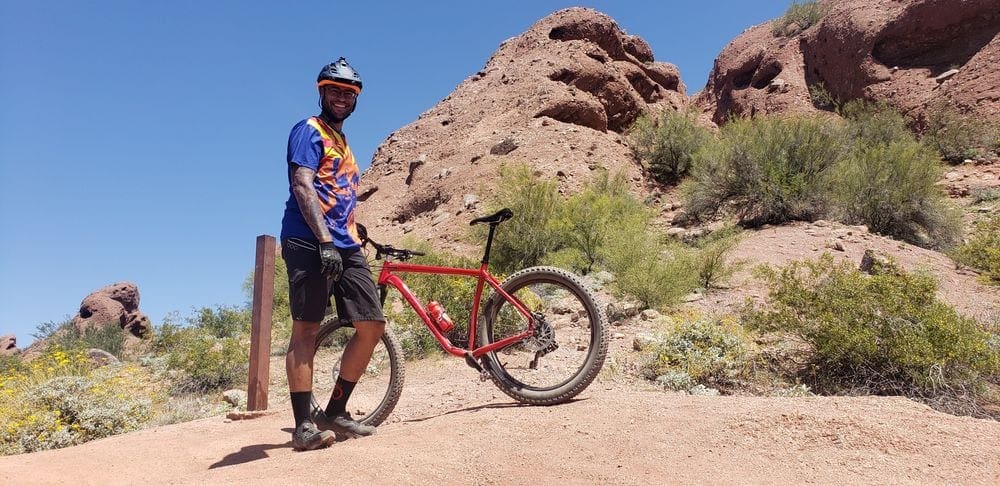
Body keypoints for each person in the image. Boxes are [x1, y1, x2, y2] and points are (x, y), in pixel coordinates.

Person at [280, 57, 385, 451]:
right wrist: (325, 240)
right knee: (306, 328)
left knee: (371, 325)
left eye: (349, 93)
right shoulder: (309, 130)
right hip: (309, 239)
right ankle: (303, 426)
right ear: (321, 91)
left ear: (355, 99)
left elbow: (339, 196)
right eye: (335, 90)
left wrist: (353, 234)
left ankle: (335, 411)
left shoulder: (344, 144)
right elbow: (302, 185)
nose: (341, 98)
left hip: (345, 242)